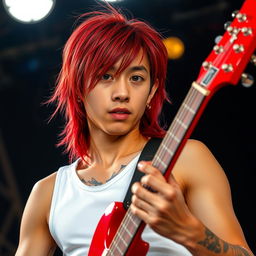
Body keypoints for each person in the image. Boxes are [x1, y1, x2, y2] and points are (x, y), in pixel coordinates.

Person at [15, 4, 254, 256]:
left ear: (152, 91)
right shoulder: (49, 193)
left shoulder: (185, 159)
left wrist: (189, 232)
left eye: (136, 78)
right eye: (105, 76)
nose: (122, 94)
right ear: (77, 87)